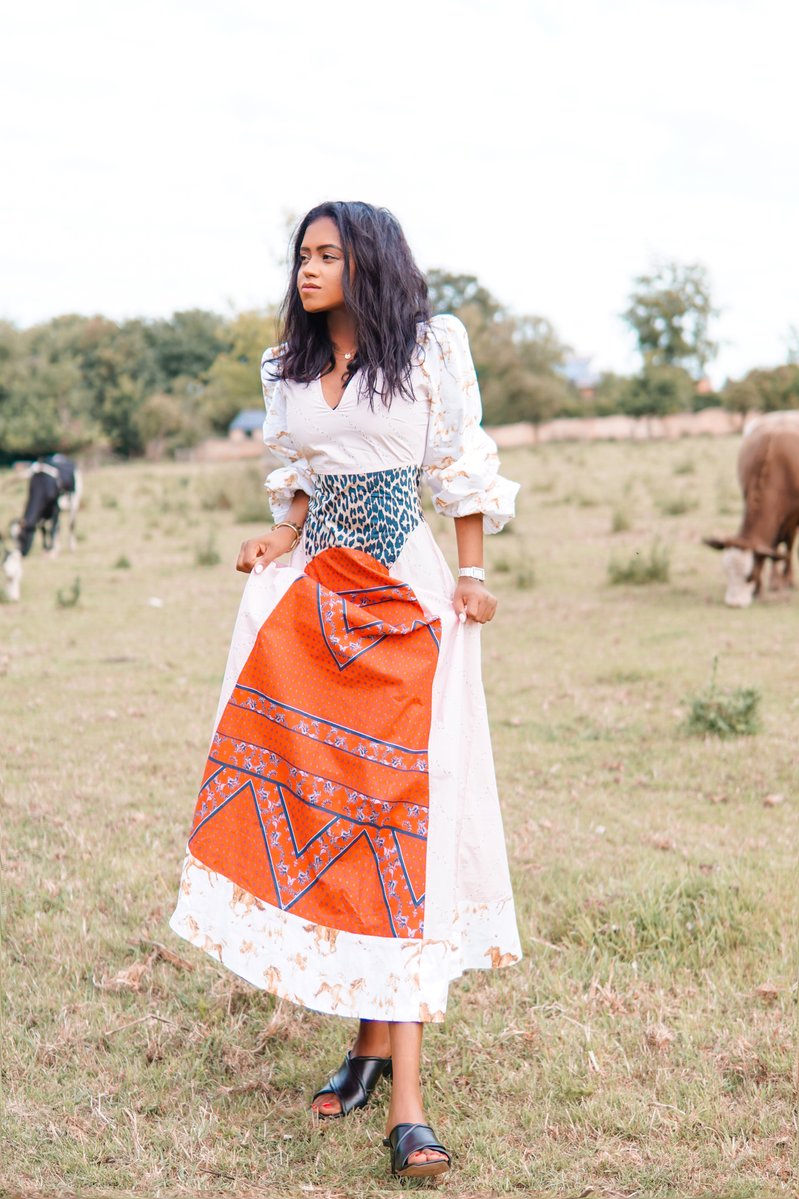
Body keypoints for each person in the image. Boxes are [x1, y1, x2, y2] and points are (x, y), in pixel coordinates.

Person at [170, 200, 522, 1180]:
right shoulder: (286, 368)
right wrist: (279, 532)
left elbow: (458, 466)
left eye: (327, 253)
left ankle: (407, 1103)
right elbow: (296, 472)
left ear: (369, 263)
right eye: (302, 253)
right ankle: (368, 1046)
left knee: (402, 822)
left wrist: (474, 571)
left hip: (405, 600)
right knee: (335, 813)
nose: (308, 268)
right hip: (315, 600)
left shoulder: (426, 352)